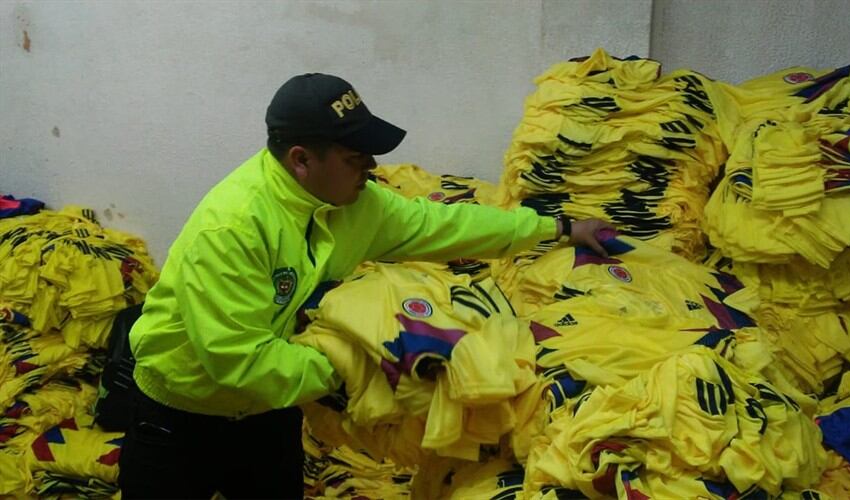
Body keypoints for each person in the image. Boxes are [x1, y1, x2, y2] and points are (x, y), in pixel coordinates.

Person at [117, 73, 612, 499]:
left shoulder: (354, 206)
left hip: (268, 413)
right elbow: (239, 364)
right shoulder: (233, 228)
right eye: (356, 158)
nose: (372, 169)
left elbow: (445, 225)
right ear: (301, 160)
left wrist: (558, 228)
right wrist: (362, 362)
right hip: (179, 416)